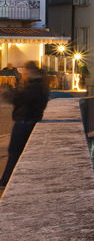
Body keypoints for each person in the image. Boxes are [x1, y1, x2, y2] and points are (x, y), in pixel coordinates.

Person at [0, 61, 49, 190]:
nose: (23, 72)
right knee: (17, 153)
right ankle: (6, 180)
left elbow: (23, 102)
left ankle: (5, 181)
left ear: (30, 71)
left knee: (14, 153)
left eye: (25, 70)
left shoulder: (34, 86)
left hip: (24, 122)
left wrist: (8, 95)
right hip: (29, 120)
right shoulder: (39, 85)